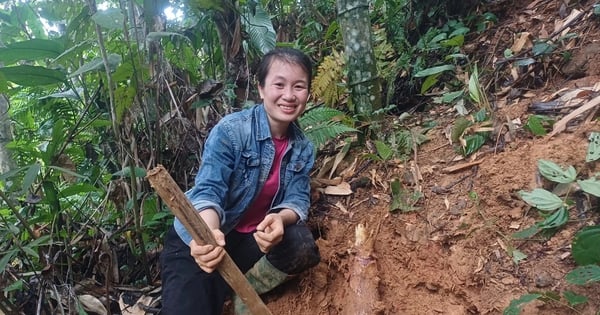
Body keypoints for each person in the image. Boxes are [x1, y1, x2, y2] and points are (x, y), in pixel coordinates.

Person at [160, 47, 321, 315]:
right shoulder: (232, 131)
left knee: (300, 244)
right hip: (202, 238)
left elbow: (298, 198)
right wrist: (207, 235)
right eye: (279, 84)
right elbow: (209, 190)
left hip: (251, 241)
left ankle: (239, 297)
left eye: (299, 87)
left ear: (308, 93)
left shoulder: (303, 147)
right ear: (260, 88)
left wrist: (281, 219)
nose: (289, 96)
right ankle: (214, 291)